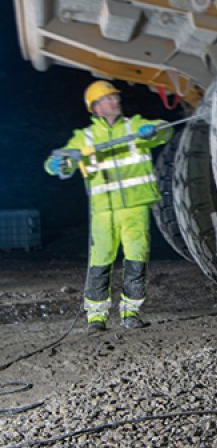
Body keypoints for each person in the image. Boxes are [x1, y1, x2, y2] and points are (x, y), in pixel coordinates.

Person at [45, 80, 173, 333]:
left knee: (136, 257)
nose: (115, 101)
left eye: (115, 97)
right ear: (96, 107)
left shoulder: (134, 126)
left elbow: (165, 130)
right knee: (100, 260)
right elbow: (60, 159)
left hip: (135, 205)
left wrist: (155, 129)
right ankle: (96, 317)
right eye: (108, 98)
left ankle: (131, 313)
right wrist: (55, 165)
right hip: (103, 210)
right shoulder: (85, 137)